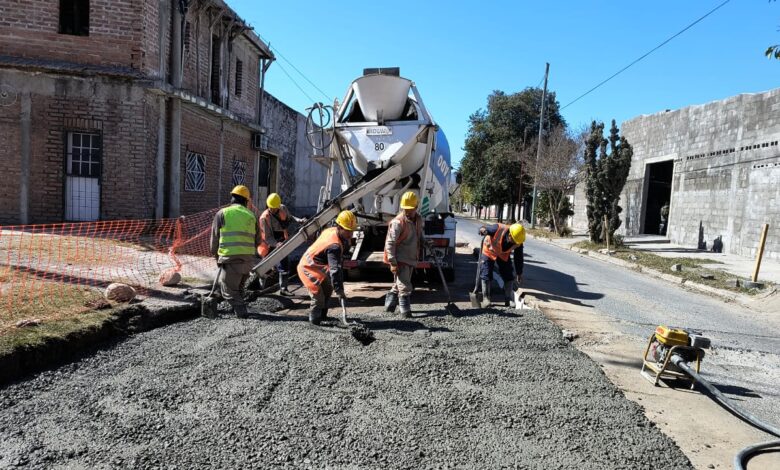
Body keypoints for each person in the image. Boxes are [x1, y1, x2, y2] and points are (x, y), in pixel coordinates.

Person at [209, 185, 261, 318]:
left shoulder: (222, 213)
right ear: (246, 200)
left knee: (228, 291)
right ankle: (239, 309)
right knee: (239, 288)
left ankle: (241, 312)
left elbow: (214, 239)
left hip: (230, 259)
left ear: (232, 198)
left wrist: (216, 255)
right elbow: (258, 241)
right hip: (248, 260)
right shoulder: (252, 216)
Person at [297, 210, 356, 325]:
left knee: (328, 288)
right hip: (307, 267)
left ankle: (323, 317)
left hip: (318, 267)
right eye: (348, 230)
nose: (351, 234)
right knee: (318, 296)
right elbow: (335, 270)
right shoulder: (334, 246)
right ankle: (315, 321)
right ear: (339, 227)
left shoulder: (331, 230)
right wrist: (340, 291)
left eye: (352, 230)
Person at [383, 191, 423, 318]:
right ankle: (405, 312)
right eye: (405, 209)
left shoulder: (417, 219)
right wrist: (393, 262)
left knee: (399, 283)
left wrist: (427, 242)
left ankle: (389, 307)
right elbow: (390, 243)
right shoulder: (398, 222)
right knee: (404, 285)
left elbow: (419, 234)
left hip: (411, 257)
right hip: (400, 258)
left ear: (416, 208)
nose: (407, 212)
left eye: (410, 209)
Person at [258, 193, 306, 296]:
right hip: (269, 244)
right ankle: (260, 288)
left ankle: (283, 289)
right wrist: (276, 244)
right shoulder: (264, 218)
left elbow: (290, 217)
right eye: (272, 208)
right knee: (266, 266)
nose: (274, 210)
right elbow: (267, 237)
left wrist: (299, 220)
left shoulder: (283, 208)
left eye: (275, 208)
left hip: (281, 241)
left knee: (284, 264)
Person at [477, 222, 525, 308]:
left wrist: (519, 272)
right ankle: (486, 298)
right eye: (513, 240)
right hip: (489, 251)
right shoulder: (497, 229)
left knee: (509, 274)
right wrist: (482, 230)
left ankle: (508, 299)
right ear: (509, 235)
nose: (514, 243)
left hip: (502, 254)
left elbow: (519, 258)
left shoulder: (518, 241)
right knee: (486, 272)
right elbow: (483, 228)